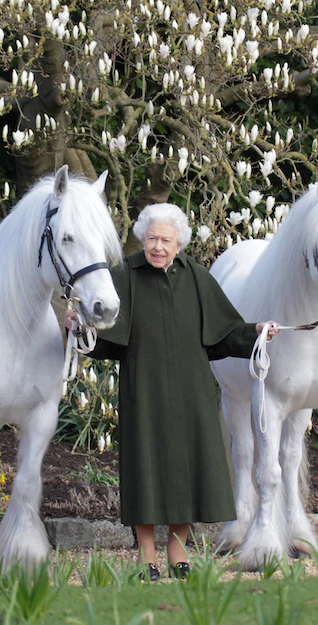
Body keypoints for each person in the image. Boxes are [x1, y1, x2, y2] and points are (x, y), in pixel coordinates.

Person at [65, 203, 278, 581]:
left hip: (191, 392)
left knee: (188, 469)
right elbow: (103, 338)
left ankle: (177, 545)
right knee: (145, 469)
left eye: (165, 239)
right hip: (142, 390)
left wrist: (258, 330)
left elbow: (225, 333)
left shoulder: (196, 277)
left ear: (179, 242)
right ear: (142, 240)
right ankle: (147, 551)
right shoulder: (125, 275)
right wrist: (78, 327)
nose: (157, 247)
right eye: (151, 239)